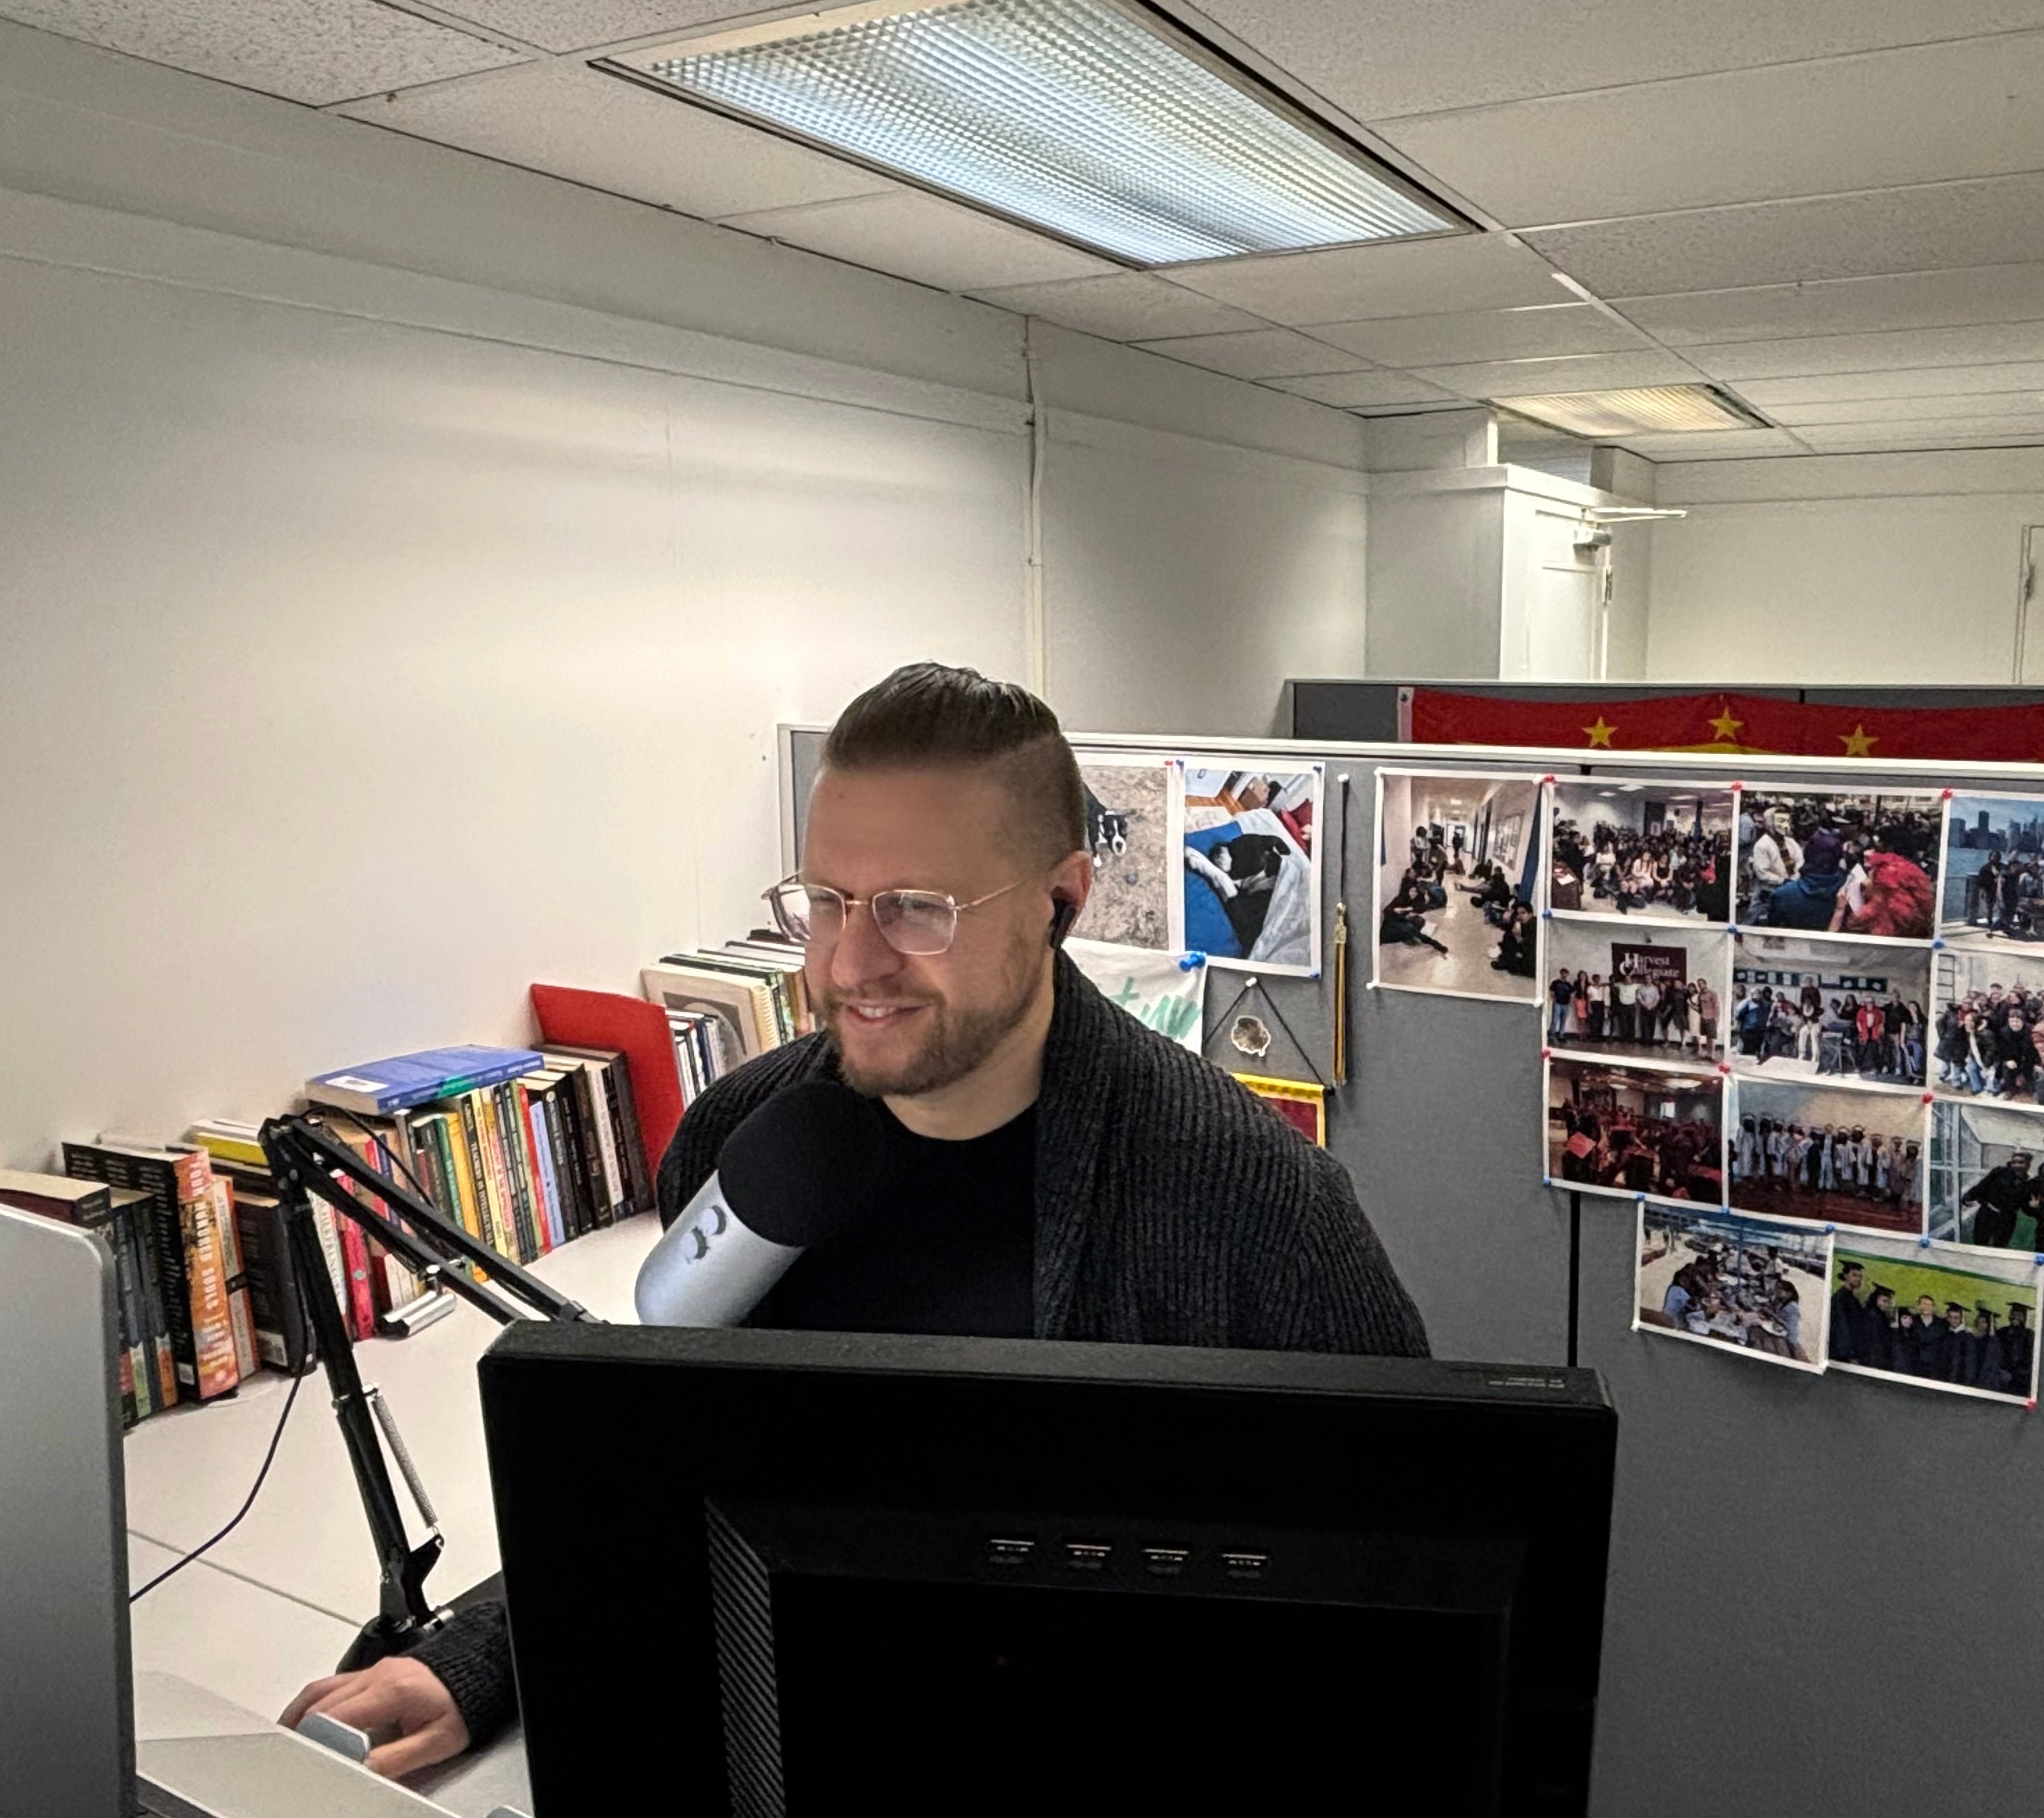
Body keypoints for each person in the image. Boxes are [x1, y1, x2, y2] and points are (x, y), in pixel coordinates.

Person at [280, 664, 1426, 1778]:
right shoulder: (741, 1136)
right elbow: (677, 1485)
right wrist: (482, 1656)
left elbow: (1411, 1586)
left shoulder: (1253, 1201)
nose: (847, 960)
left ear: (1059, 900)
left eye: (914, 908)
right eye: (824, 900)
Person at [1959, 1152, 2032, 1249]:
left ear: (2028, 1165)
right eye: (2014, 1162)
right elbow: (1983, 1185)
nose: (2017, 1165)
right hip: (1987, 1214)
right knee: (1980, 1244)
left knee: (2000, 1247)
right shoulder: (1999, 1172)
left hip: (2007, 1220)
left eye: (2021, 1162)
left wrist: (2033, 1207)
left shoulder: (2029, 1184)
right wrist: (1969, 1196)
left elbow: (2026, 1207)